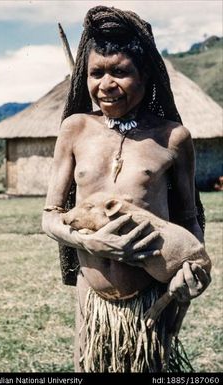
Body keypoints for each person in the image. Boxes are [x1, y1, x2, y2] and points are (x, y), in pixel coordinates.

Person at [42, 6, 211, 372]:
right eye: (96, 73)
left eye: (120, 72)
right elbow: (49, 217)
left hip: (150, 303)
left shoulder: (173, 138)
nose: (105, 85)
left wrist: (191, 272)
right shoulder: (75, 129)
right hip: (93, 301)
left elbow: (189, 218)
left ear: (145, 74)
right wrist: (88, 242)